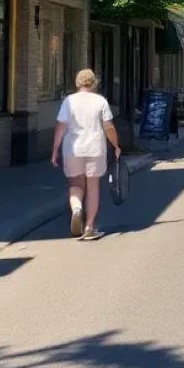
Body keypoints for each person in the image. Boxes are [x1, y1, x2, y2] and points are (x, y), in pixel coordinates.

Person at [51, 68, 120, 241]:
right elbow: (108, 127)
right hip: (95, 147)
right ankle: (89, 225)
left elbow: (61, 126)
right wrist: (116, 145)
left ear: (77, 83)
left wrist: (55, 149)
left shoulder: (69, 101)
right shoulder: (100, 101)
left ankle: (76, 209)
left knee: (75, 184)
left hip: (72, 148)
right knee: (93, 186)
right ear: (93, 83)